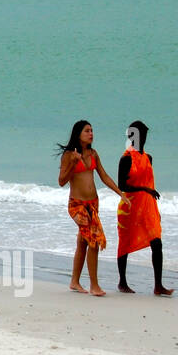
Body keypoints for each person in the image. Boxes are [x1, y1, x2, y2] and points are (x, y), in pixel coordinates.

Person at [56, 120, 124, 297]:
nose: (91, 133)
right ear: (78, 133)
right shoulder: (69, 155)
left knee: (83, 242)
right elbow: (61, 181)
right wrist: (73, 163)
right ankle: (94, 285)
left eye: (92, 130)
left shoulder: (93, 153)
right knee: (93, 241)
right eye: (87, 131)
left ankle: (74, 282)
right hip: (77, 205)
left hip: (93, 204)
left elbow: (104, 176)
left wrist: (121, 193)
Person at [116, 121, 173, 296]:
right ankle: (122, 282)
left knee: (157, 242)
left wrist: (154, 205)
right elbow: (121, 186)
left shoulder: (149, 158)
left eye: (145, 134)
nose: (144, 138)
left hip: (148, 208)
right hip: (130, 207)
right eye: (140, 134)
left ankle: (158, 285)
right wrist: (144, 189)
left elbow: (149, 182)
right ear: (132, 137)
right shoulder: (126, 159)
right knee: (125, 244)